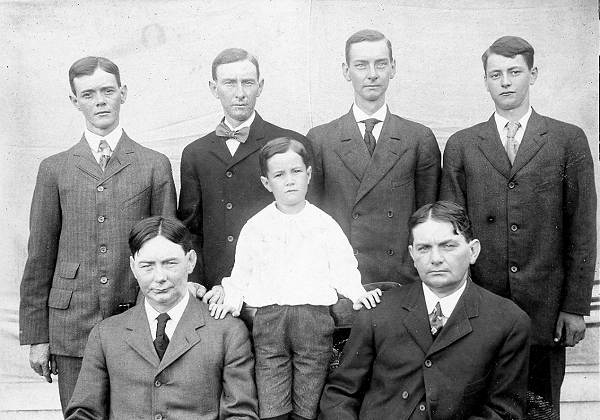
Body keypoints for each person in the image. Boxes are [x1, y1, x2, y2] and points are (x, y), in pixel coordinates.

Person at [440, 36, 596, 418]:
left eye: (515, 72)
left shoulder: (566, 139)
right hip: (481, 306)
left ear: (533, 74)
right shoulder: (462, 145)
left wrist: (574, 307)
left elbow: (582, 228)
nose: (506, 81)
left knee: (540, 409)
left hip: (544, 310)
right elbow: (450, 232)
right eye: (496, 74)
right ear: (486, 81)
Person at [18, 56, 177, 411]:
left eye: (108, 91)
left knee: (135, 413)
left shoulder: (153, 165)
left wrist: (160, 320)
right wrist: (37, 337)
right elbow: (40, 256)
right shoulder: (54, 169)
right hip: (72, 324)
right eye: (88, 94)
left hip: (136, 317)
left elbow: (168, 253)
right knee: (80, 413)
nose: (100, 101)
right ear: (74, 101)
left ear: (123, 93)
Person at [211, 137, 382, 420]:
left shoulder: (324, 224)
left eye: (296, 172)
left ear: (309, 175)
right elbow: (241, 274)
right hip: (269, 323)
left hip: (313, 321)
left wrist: (357, 292)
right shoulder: (256, 226)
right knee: (271, 398)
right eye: (279, 175)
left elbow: (343, 268)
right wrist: (230, 300)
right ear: (267, 183)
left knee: (309, 398)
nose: (289, 181)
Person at [319, 201, 531, 419]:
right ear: (412, 254)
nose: (436, 259)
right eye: (424, 248)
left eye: (448, 245)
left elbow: (504, 413)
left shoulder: (508, 321)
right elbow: (341, 394)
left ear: (473, 250)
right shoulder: (378, 311)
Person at [64, 216, 258, 419]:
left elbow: (240, 414)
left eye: (170, 263)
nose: (159, 277)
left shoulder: (227, 332)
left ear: (190, 261)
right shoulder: (106, 334)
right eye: (147, 266)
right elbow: (83, 413)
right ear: (133, 267)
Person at [178, 48, 316, 300]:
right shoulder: (195, 153)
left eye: (248, 83)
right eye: (230, 83)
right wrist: (195, 280)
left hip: (275, 288)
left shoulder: (290, 143)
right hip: (213, 289)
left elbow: (307, 221)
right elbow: (190, 229)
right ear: (213, 88)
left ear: (260, 87)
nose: (240, 93)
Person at [306, 29, 441, 286]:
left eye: (380, 64)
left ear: (393, 68)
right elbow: (313, 219)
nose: (372, 74)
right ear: (346, 71)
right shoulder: (320, 139)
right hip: (344, 278)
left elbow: (429, 218)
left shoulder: (418, 137)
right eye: (361, 65)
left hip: (401, 277)